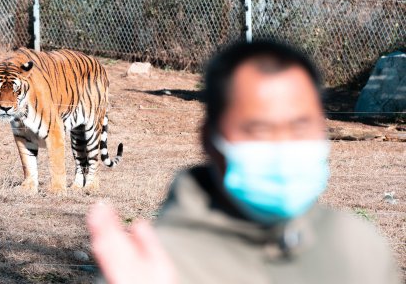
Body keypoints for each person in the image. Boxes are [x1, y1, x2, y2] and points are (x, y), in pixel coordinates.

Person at [87, 38, 402, 284]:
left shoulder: (357, 244)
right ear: (209, 139)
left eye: (301, 126)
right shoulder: (155, 265)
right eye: (259, 130)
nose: (283, 147)